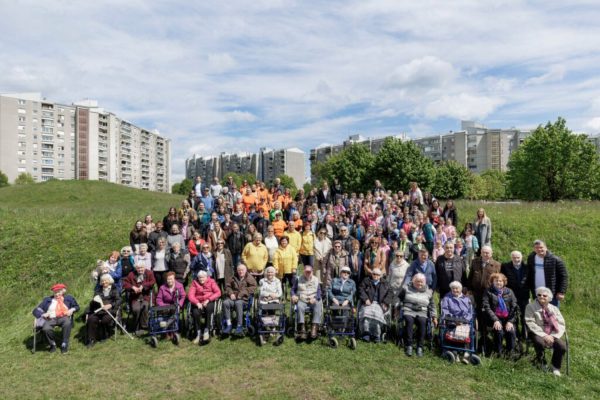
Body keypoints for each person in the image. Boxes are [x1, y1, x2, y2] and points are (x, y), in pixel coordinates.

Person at [525, 287, 567, 376]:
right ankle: (541, 362)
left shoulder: (554, 308)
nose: (541, 297)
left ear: (549, 298)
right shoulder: (530, 307)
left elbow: (561, 323)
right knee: (539, 343)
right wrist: (544, 335)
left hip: (552, 333)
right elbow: (530, 322)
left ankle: (555, 366)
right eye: (539, 295)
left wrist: (553, 336)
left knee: (562, 346)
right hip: (537, 332)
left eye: (544, 295)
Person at [32, 283, 80, 353]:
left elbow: (77, 307)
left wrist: (72, 310)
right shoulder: (47, 300)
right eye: (55, 292)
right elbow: (35, 310)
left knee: (67, 323)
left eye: (59, 292)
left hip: (64, 317)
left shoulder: (68, 298)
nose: (57, 294)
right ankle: (52, 344)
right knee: (46, 328)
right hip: (51, 318)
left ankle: (64, 343)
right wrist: (43, 314)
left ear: (63, 291)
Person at [399, 273, 437, 357]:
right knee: (409, 321)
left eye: (421, 282)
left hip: (422, 311)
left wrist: (434, 317)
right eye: (417, 281)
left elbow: (432, 305)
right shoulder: (406, 288)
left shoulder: (429, 292)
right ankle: (409, 345)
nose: (419, 283)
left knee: (423, 322)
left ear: (424, 282)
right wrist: (396, 309)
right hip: (408, 310)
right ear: (413, 281)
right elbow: (399, 299)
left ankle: (420, 346)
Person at [482, 273, 518, 357]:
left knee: (511, 331)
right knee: (499, 331)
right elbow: (486, 307)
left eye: (501, 281)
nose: (498, 282)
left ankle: (511, 351)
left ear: (504, 282)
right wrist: (495, 320)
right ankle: (498, 351)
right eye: (496, 281)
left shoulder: (509, 291)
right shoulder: (488, 291)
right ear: (492, 282)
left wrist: (510, 321)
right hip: (494, 318)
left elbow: (514, 307)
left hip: (507, 318)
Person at [526, 240, 568, 307]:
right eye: (537, 248)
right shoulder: (531, 258)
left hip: (551, 294)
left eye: (541, 247)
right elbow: (529, 274)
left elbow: (563, 276)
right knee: (539, 312)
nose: (539, 249)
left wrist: (561, 292)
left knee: (552, 313)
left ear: (546, 248)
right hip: (537, 293)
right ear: (534, 249)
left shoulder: (555, 259)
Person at [440, 281, 473, 363]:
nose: (455, 290)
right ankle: (456, 352)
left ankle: (466, 353)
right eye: (453, 288)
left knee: (468, 331)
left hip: (464, 322)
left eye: (457, 288)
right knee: (454, 330)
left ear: (461, 289)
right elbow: (445, 311)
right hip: (451, 321)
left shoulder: (466, 299)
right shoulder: (447, 298)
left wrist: (464, 321)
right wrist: (455, 320)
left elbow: (470, 313)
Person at [86, 274, 121, 348]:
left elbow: (118, 300)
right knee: (91, 319)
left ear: (109, 280)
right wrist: (95, 302)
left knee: (105, 320)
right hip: (99, 310)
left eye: (106, 280)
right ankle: (91, 339)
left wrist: (110, 305)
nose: (104, 282)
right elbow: (93, 303)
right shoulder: (98, 291)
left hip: (111, 310)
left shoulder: (114, 289)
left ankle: (104, 334)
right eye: (102, 281)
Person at [501, 250, 530, 337]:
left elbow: (531, 281)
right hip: (511, 295)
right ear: (511, 258)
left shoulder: (527, 267)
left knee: (525, 315)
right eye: (514, 257)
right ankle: (516, 335)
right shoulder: (505, 266)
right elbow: (503, 280)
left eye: (518, 257)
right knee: (513, 314)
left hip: (524, 295)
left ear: (521, 257)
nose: (516, 259)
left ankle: (525, 335)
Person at [359, 268, 392, 343]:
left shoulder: (385, 283)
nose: (376, 276)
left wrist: (385, 302)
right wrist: (365, 299)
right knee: (366, 313)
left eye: (378, 274)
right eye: (374, 274)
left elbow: (390, 293)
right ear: (371, 274)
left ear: (380, 276)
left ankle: (376, 335)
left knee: (377, 315)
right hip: (368, 302)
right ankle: (366, 333)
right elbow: (361, 289)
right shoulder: (366, 281)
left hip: (380, 304)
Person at [188, 270, 221, 344]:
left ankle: (207, 330)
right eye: (200, 277)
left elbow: (218, 292)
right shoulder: (194, 283)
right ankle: (198, 332)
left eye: (203, 277)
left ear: (206, 277)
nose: (201, 279)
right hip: (198, 302)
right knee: (195, 313)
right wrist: (197, 303)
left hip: (209, 301)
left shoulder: (211, 281)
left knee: (209, 309)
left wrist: (209, 300)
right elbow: (190, 295)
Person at [223, 264, 257, 335]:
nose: (241, 272)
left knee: (238, 303)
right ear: (237, 271)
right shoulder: (233, 277)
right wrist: (231, 293)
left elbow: (253, 287)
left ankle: (239, 325)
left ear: (246, 270)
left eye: (242, 270)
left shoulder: (249, 277)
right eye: (239, 270)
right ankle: (229, 324)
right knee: (225, 303)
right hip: (233, 298)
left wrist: (241, 294)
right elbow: (227, 286)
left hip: (244, 300)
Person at [291, 265, 323, 340]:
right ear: (303, 272)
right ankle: (302, 328)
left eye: (309, 272)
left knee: (318, 303)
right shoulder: (298, 279)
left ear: (312, 272)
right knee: (299, 306)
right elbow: (293, 289)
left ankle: (314, 327)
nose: (308, 273)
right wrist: (293, 295)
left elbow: (319, 292)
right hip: (302, 298)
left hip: (313, 298)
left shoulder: (316, 279)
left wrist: (315, 298)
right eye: (306, 272)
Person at [123, 263, 156, 335]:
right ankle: (136, 326)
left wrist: (143, 286)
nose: (140, 269)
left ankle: (143, 326)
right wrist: (132, 287)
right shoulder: (131, 274)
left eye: (142, 268)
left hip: (146, 296)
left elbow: (153, 281)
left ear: (144, 267)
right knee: (136, 309)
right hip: (135, 297)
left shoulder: (149, 273)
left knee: (145, 306)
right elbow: (124, 283)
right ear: (136, 269)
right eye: (138, 268)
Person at [468, 245, 501, 315]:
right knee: (477, 311)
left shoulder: (497, 265)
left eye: (487, 253)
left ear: (491, 253)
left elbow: (499, 279)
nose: (485, 254)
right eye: (483, 252)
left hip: (490, 293)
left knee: (488, 312)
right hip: (476, 292)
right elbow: (470, 276)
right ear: (481, 253)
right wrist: (469, 289)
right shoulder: (475, 262)